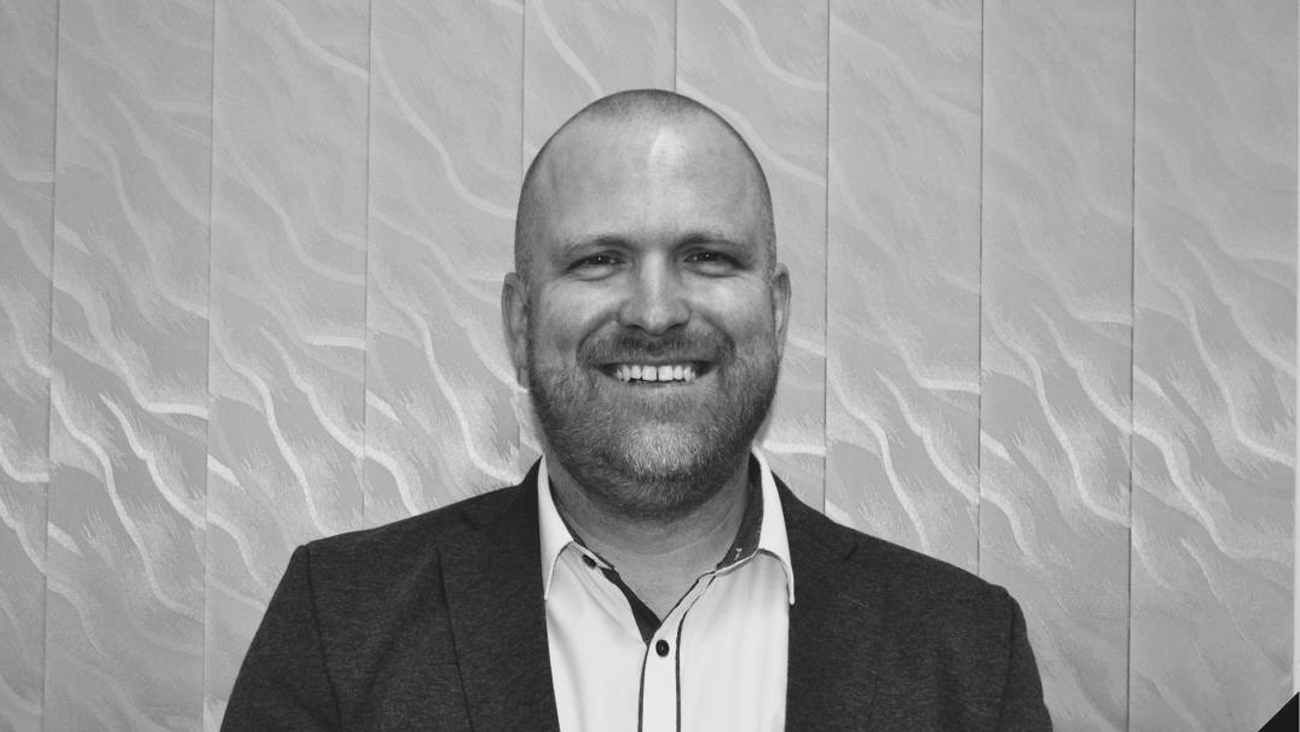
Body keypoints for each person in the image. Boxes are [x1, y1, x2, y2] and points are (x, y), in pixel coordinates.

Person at [222, 89, 1051, 731]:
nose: (655, 312)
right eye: (599, 260)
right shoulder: (339, 626)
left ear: (777, 312)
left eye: (707, 256)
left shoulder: (969, 656)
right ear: (520, 322)